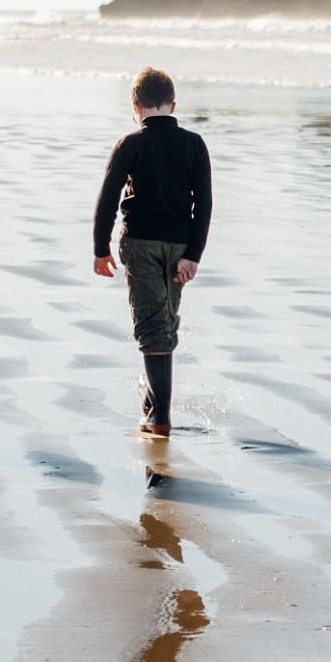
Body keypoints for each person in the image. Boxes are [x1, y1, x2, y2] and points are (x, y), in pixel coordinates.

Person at [93, 67, 213, 436]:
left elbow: (108, 199)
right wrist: (194, 254)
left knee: (152, 326)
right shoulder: (194, 144)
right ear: (172, 103)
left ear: (136, 106)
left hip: (141, 243)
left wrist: (100, 249)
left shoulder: (130, 144)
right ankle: (153, 404)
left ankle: (159, 417)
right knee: (165, 321)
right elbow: (204, 205)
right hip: (180, 244)